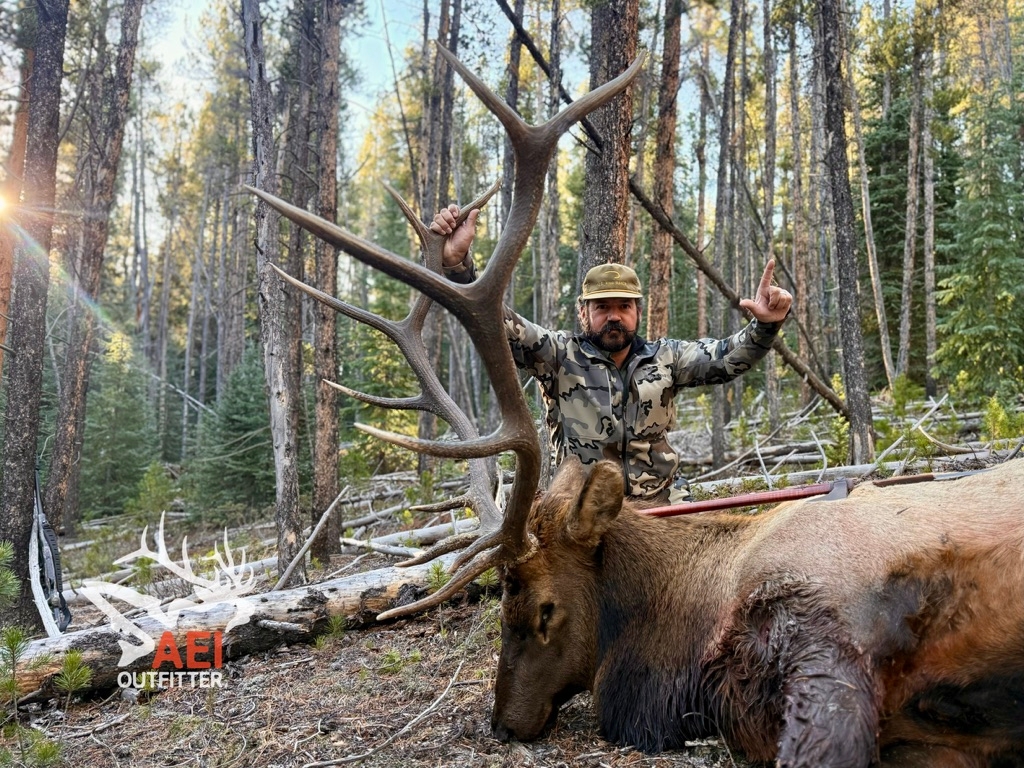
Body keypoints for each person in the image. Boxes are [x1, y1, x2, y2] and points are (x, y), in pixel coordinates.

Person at [430, 204, 793, 505]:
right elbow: (495, 320)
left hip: (660, 502)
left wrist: (765, 325)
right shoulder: (559, 355)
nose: (614, 316)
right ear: (583, 312)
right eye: (602, 307)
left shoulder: (667, 358)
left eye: (624, 306)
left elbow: (727, 358)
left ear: (638, 311)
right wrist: (458, 267)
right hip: (583, 510)